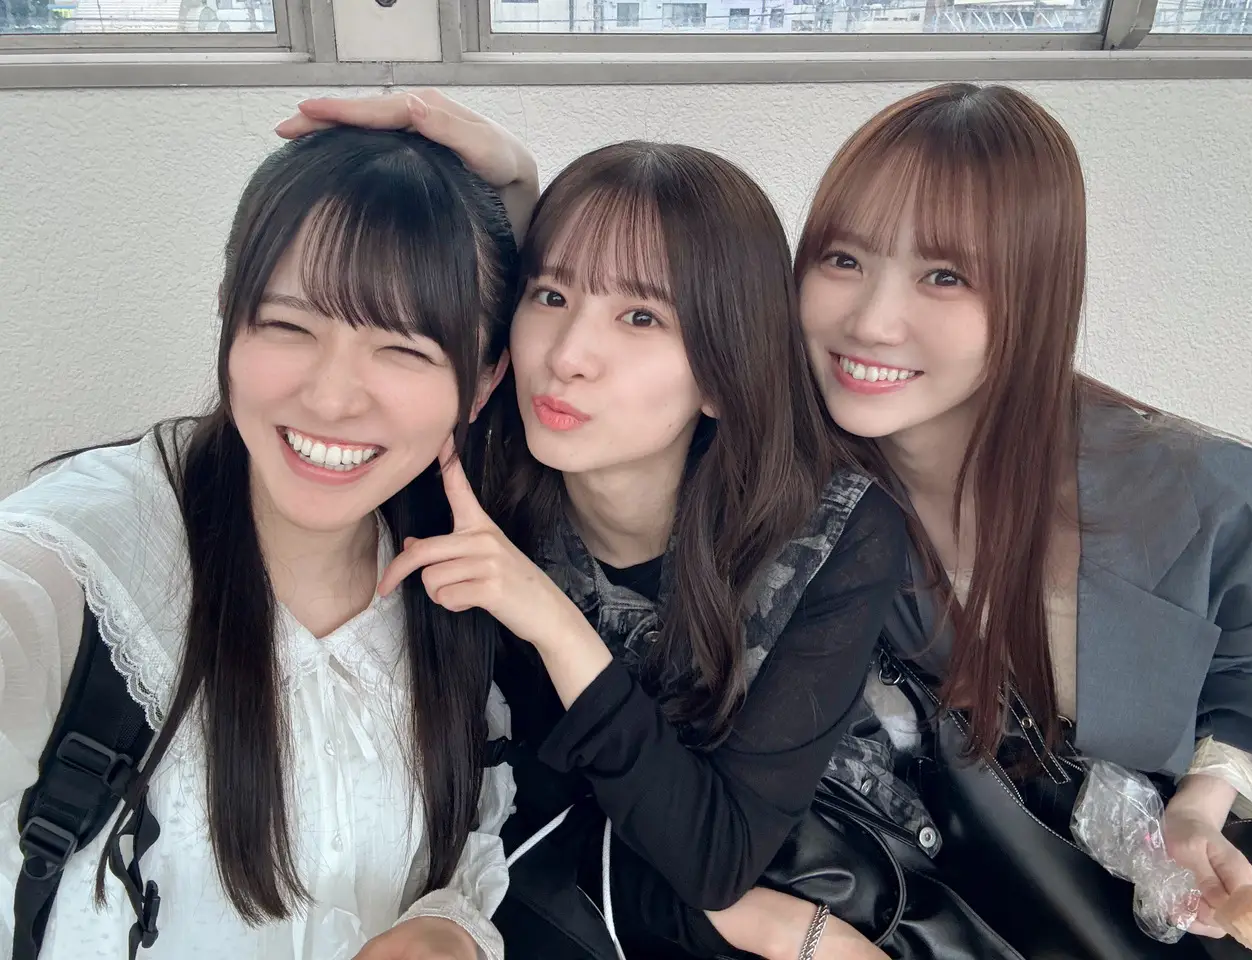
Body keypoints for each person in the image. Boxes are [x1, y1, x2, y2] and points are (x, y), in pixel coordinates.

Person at [281, 99, 909, 960]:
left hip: (824, 877)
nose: (567, 353)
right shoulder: (472, 483)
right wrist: (506, 185)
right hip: (605, 903)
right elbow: (526, 800)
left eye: (641, 317)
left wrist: (550, 620)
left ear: (723, 371)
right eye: (551, 295)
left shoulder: (831, 536)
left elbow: (721, 857)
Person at [0, 127, 520, 960]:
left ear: (483, 383)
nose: (332, 398)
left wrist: (448, 929)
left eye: (403, 348)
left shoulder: (460, 573)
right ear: (228, 309)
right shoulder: (82, 559)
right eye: (289, 326)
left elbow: (471, 838)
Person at [791, 81, 1252, 947]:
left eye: (944, 276)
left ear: (1034, 297)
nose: (871, 321)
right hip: (973, 904)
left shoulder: (1194, 495)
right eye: (843, 259)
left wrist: (1202, 802)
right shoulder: (803, 479)